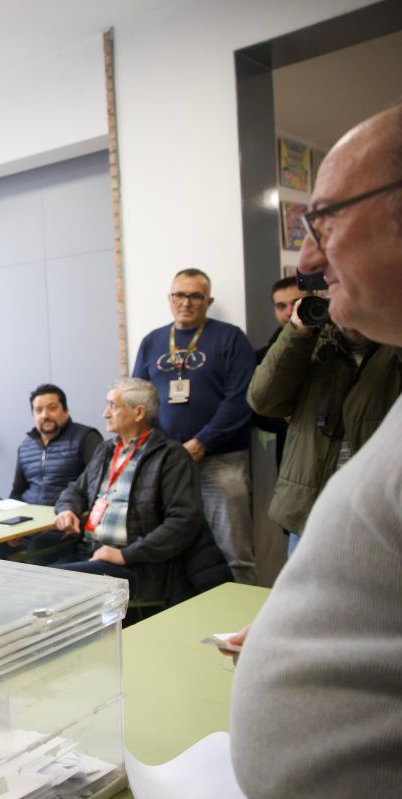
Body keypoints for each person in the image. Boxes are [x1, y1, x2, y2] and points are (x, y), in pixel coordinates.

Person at [229, 103, 402, 797]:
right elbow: (264, 398)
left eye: (324, 221)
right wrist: (299, 635)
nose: (306, 260)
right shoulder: (316, 338)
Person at [132, 268, 257, 584]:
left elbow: (241, 399)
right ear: (169, 298)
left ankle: (242, 612)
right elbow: (139, 400)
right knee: (171, 547)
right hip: (168, 464)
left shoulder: (230, 338)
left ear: (208, 301)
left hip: (220, 462)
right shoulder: (152, 341)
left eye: (195, 296)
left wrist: (202, 442)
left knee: (234, 551)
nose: (186, 302)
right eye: (180, 294)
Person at [247, 303, 402, 554]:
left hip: (382, 512)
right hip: (311, 511)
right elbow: (263, 400)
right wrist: (297, 333)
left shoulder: (392, 344)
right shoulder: (313, 341)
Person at [48, 378, 204, 602]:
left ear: (139, 413)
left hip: (136, 564)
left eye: (112, 406)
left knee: (50, 582)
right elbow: (75, 490)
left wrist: (125, 554)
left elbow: (184, 521)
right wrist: (67, 509)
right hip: (90, 551)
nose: (105, 413)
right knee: (30, 571)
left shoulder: (171, 456)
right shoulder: (106, 450)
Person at [251, 277, 309, 469]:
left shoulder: (335, 344)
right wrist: (286, 416)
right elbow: (258, 415)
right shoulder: (264, 357)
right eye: (281, 306)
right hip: (291, 452)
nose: (289, 312)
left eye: (296, 303)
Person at [10, 384, 103, 504]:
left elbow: (97, 487)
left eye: (52, 408)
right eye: (38, 410)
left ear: (66, 411)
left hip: (66, 511)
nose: (45, 415)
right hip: (29, 512)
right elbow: (17, 492)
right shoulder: (26, 446)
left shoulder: (87, 438)